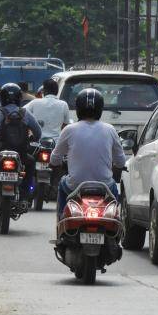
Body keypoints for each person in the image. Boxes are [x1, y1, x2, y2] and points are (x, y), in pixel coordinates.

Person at [50, 88, 126, 218]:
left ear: (78, 108)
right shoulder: (110, 129)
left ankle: (62, 219)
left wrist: (56, 164)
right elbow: (121, 162)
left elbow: (54, 159)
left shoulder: (69, 130)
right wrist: (116, 166)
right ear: (100, 108)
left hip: (74, 186)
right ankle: (115, 218)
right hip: (105, 186)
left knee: (62, 182)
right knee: (114, 188)